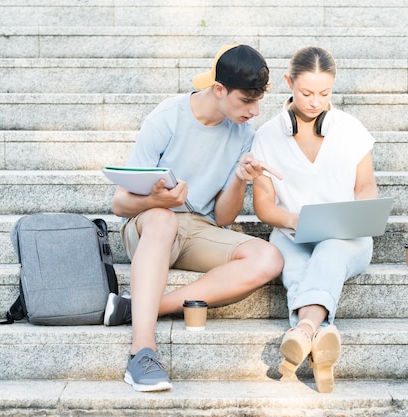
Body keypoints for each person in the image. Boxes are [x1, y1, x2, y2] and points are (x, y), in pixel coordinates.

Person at [105, 44, 284, 392]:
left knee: (269, 257)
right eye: (247, 100)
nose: (255, 111)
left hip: (198, 228)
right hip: (149, 225)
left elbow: (222, 218)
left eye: (258, 100)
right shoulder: (167, 117)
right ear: (220, 89)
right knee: (163, 220)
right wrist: (156, 200)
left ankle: (138, 307)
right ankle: (142, 351)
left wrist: (239, 179)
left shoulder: (243, 134)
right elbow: (119, 205)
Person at [251, 46, 379, 393]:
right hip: (290, 235)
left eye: (325, 94)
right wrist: (299, 221)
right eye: (306, 93)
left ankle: (302, 331)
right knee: (295, 271)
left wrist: (357, 214)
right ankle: (320, 344)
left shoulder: (350, 129)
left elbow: (366, 187)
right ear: (288, 82)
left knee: (329, 255)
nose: (315, 102)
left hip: (344, 237)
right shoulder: (265, 136)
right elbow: (263, 206)